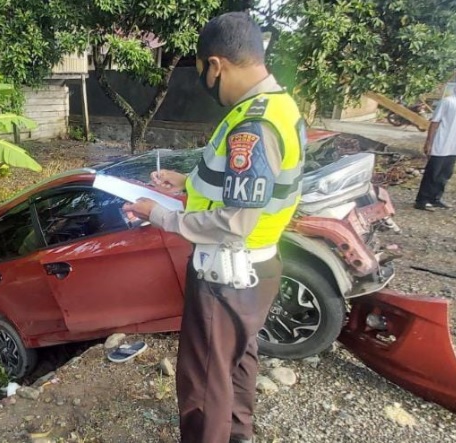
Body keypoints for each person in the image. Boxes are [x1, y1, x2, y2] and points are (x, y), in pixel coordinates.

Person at [122, 12, 305, 443]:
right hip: (256, 269)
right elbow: (248, 187)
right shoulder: (279, 106)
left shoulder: (252, 125)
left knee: (204, 383)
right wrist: (187, 182)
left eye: (202, 70)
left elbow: (236, 220)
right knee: (235, 364)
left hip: (228, 273)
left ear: (215, 65)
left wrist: (159, 214)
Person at [415, 71, 456, 211]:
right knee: (433, 172)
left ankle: (436, 198)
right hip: (441, 142)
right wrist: (429, 142)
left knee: (446, 173)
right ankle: (422, 200)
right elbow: (435, 122)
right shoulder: (448, 101)